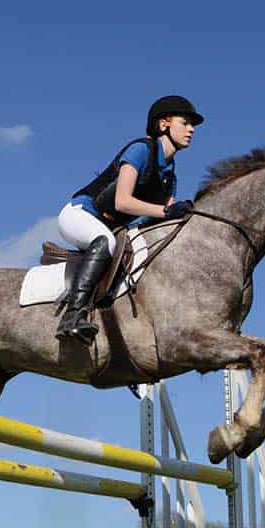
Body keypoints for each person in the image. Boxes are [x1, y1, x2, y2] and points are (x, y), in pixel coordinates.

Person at [55, 94, 204, 342]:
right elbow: (122, 201)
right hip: (80, 214)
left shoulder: (170, 174)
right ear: (164, 124)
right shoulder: (140, 150)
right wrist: (167, 211)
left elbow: (162, 217)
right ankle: (72, 316)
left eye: (192, 125)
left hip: (114, 226)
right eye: (185, 122)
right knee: (106, 242)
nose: (191, 130)